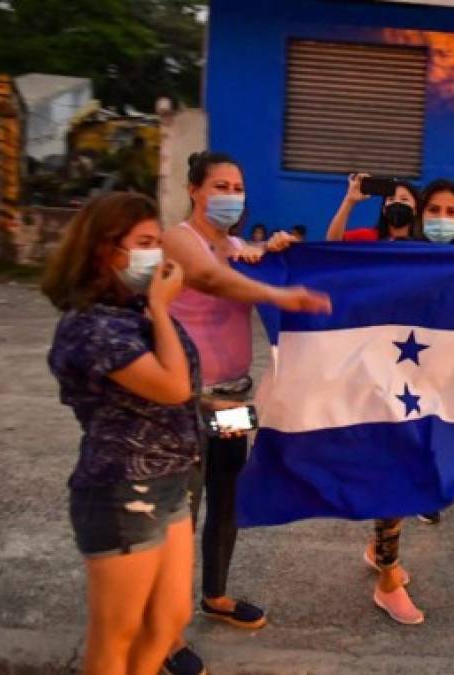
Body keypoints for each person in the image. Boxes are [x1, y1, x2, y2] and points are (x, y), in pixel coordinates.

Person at [161, 151, 330, 671]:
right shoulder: (177, 242)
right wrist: (279, 289)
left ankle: (215, 595)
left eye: (238, 185)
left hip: (234, 400)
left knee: (227, 500)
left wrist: (274, 251)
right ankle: (165, 636)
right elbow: (214, 281)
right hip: (185, 403)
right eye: (220, 185)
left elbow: (240, 262)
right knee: (178, 519)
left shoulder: (235, 246)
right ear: (194, 189)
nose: (232, 194)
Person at [43, 192, 198, 675]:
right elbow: (172, 387)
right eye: (145, 243)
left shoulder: (134, 312)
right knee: (117, 635)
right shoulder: (92, 327)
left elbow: (177, 388)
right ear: (106, 251)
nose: (159, 254)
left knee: (170, 618)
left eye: (159, 241)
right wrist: (161, 306)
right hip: (121, 490)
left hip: (169, 481)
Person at [356, 176, 454, 625]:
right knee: (397, 478)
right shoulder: (403, 257)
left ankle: (379, 551)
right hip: (395, 387)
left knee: (417, 479)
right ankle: (387, 582)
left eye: (451, 212)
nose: (442, 219)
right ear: (421, 215)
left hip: (437, 391)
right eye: (435, 211)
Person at [326, 173, 421, 242]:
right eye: (391, 199)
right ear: (384, 209)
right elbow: (333, 241)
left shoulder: (423, 244)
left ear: (415, 209)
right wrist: (349, 200)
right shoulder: (368, 237)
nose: (397, 202)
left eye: (404, 199)